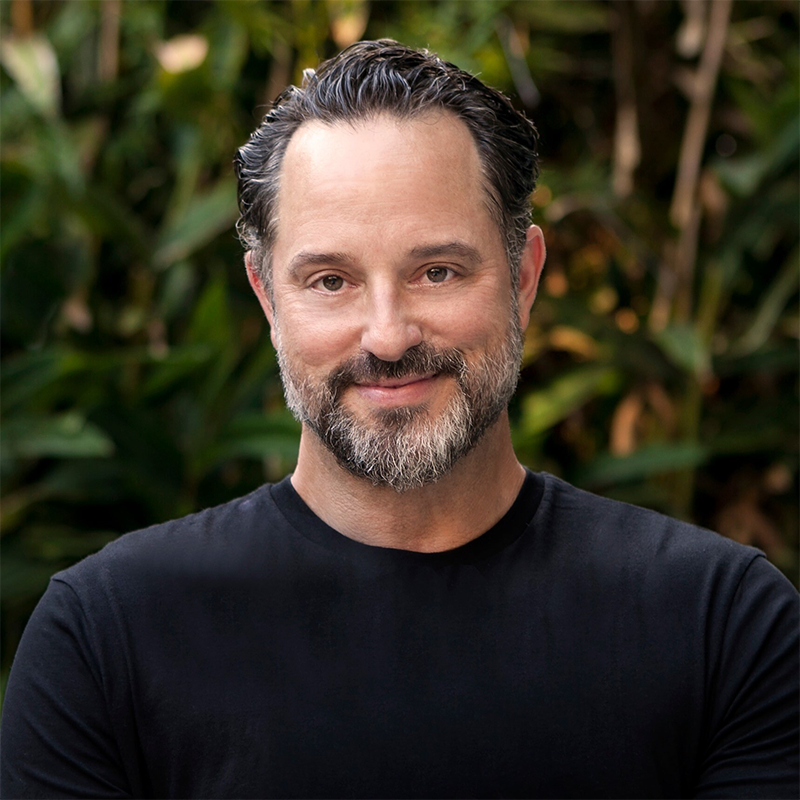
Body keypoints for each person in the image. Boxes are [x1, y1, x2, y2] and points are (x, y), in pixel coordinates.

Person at [1, 40, 797, 800]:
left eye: (436, 271)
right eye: (330, 281)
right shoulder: (106, 637)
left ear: (523, 278)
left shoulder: (722, 624)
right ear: (267, 299)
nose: (387, 336)